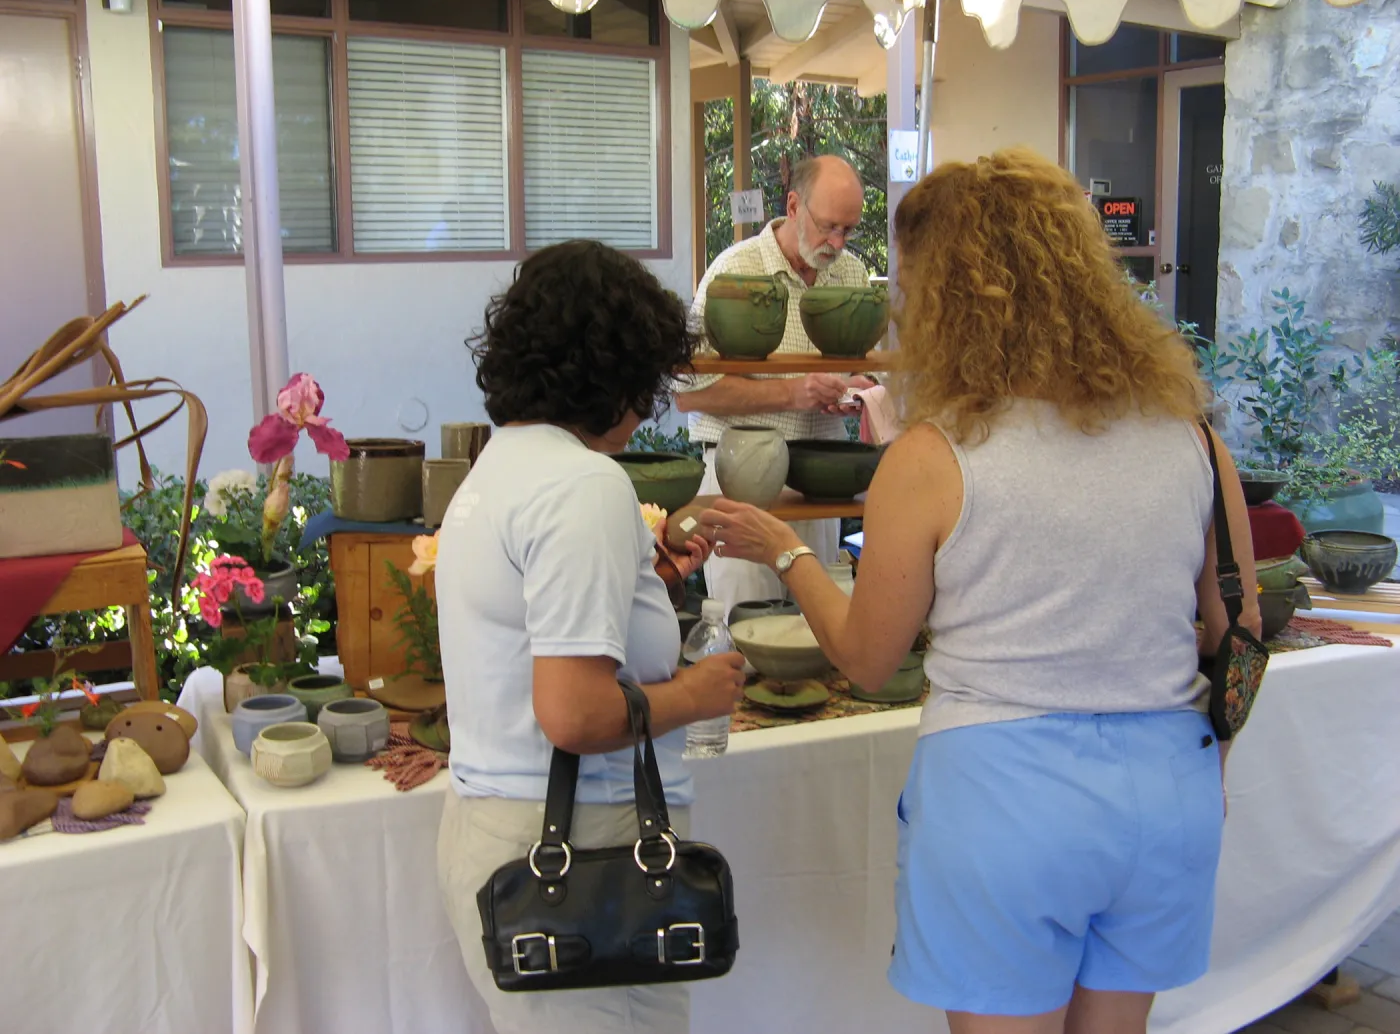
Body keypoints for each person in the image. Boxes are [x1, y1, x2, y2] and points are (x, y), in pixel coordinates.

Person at [700, 148, 1262, 1034]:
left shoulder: (934, 457)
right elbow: (1243, 631)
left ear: (953, 298)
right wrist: (1213, 768)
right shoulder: (1190, 436)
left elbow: (870, 655)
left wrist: (786, 553)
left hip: (1006, 803)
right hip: (1168, 793)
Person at [435, 240, 747, 1034]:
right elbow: (573, 714)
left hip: (498, 825)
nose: (648, 408)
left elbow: (530, 632)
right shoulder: (583, 484)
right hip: (582, 845)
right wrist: (695, 694)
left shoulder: (499, 465)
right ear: (614, 371)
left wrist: (649, 586)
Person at [675, 154, 875, 613]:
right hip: (737, 479)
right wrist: (792, 392)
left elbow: (869, 377)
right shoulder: (734, 273)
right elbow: (686, 393)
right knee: (748, 621)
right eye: (828, 226)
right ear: (793, 204)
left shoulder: (851, 275)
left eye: (848, 230)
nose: (837, 242)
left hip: (821, 481)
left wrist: (856, 393)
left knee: (817, 624)